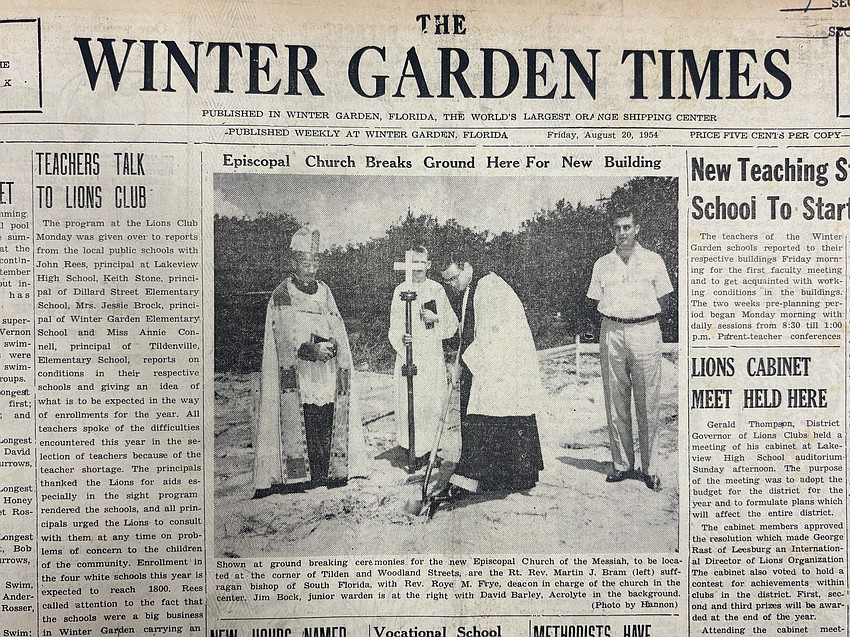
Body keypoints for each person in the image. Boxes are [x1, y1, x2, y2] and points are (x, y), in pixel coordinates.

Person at [253, 226, 370, 497]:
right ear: (293, 262)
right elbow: (282, 339)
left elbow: (337, 325)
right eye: (306, 262)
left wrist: (333, 346)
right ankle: (300, 476)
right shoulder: (282, 294)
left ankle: (327, 473)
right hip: (298, 371)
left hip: (326, 369)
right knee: (304, 414)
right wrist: (309, 349)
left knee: (326, 413)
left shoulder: (325, 291)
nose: (312, 269)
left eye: (315, 262)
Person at [435, 259, 544, 501]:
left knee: (489, 414)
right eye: (448, 280)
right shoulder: (472, 289)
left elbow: (491, 335)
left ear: (466, 265)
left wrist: (463, 364)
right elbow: (470, 331)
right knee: (495, 416)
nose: (452, 284)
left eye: (454, 277)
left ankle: (478, 477)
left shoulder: (489, 287)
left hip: (504, 364)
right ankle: (501, 477)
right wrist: (460, 363)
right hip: (491, 361)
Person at [586, 211, 673, 491]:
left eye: (627, 227)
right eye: (616, 228)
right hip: (612, 330)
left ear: (637, 228)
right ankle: (622, 465)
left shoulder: (653, 260)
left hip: (646, 329)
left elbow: (665, 298)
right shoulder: (602, 264)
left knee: (648, 402)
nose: (622, 232)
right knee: (615, 400)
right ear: (612, 232)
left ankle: (650, 469)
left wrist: (645, 318)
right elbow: (594, 301)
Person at [388, 246, 458, 467]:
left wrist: (435, 318)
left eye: (421, 263)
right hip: (409, 354)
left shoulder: (436, 289)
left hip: (430, 355)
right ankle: (411, 448)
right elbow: (394, 326)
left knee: (430, 402)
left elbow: (452, 324)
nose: (417, 268)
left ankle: (430, 449)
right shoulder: (400, 290)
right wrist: (402, 338)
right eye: (413, 263)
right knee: (411, 402)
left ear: (428, 265)